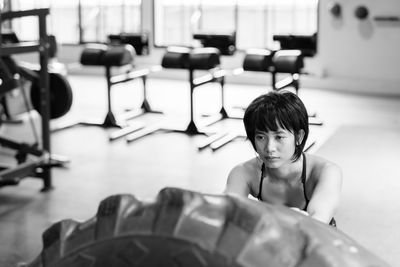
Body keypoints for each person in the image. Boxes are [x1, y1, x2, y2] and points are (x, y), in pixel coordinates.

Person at [225, 90, 342, 226]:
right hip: (270, 239)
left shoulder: (326, 171)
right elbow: (226, 211)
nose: (269, 148)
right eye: (261, 137)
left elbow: (318, 219)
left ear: (299, 137)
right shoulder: (243, 172)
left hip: (315, 242)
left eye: (279, 137)